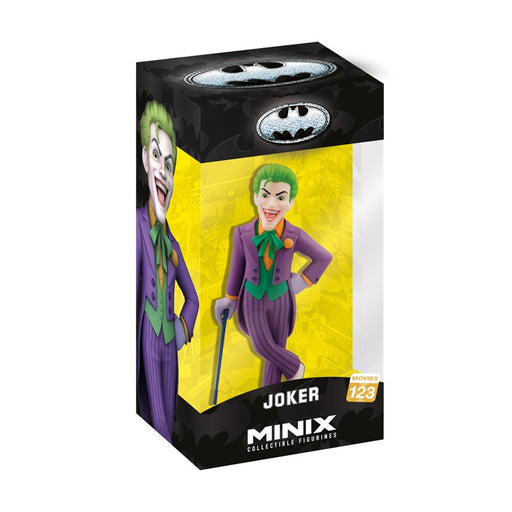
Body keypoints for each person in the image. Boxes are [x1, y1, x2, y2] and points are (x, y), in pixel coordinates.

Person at [215, 164, 332, 387]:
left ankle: (269, 396)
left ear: (290, 202)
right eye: (265, 195)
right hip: (252, 297)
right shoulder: (242, 233)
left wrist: (304, 281)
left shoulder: (294, 234)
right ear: (255, 197)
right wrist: (230, 298)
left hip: (281, 300)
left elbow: (323, 257)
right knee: (262, 345)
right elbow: (237, 266)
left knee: (274, 358)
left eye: (281, 197)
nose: (271, 204)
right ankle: (295, 367)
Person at [137, 100, 199, 442]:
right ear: (145, 159)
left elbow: (192, 298)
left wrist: (181, 330)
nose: (163, 170)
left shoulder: (172, 243)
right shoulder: (133, 228)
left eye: (170, 164)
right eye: (157, 157)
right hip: (143, 341)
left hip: (168, 349)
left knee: (167, 429)